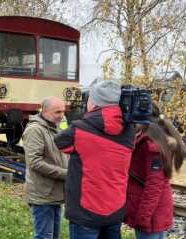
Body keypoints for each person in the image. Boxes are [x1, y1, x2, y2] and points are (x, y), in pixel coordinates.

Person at [54, 80, 135, 239]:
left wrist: (63, 124)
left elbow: (60, 142)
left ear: (93, 103)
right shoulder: (129, 131)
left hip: (86, 212)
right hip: (115, 209)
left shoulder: (79, 129)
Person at [125, 104, 185, 239]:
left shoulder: (151, 145)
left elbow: (154, 185)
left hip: (150, 215)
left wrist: (142, 218)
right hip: (154, 211)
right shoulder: (154, 138)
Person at [23, 96, 69, 239]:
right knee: (44, 236)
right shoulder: (35, 130)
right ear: (45, 112)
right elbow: (35, 162)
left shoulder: (57, 127)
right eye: (57, 112)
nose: (62, 116)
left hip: (55, 193)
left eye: (63, 111)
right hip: (42, 195)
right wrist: (65, 173)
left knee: (54, 236)